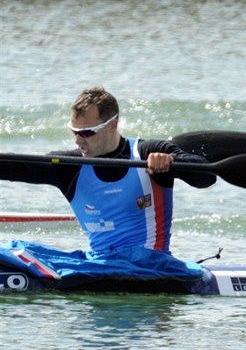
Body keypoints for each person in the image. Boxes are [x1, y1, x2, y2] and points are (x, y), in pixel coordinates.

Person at [0, 86, 216, 280]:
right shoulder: (69, 167)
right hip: (100, 264)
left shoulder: (147, 153)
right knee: (14, 250)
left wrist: (172, 162)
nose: (78, 140)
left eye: (86, 132)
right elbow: (13, 166)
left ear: (112, 125)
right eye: (74, 132)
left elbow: (207, 177)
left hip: (151, 265)